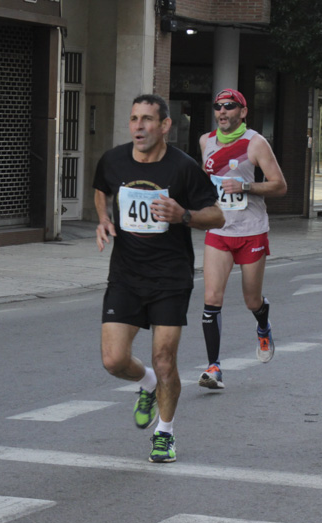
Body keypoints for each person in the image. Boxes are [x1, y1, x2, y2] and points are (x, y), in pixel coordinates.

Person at [94, 94, 224, 463]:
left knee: (166, 360)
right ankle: (146, 383)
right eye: (134, 118)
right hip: (126, 274)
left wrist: (183, 215)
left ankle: (164, 434)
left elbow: (217, 217)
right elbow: (101, 188)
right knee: (113, 360)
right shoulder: (114, 160)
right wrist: (103, 218)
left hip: (170, 275)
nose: (139, 126)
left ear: (165, 125)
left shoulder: (182, 168)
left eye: (148, 119)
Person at [196, 89, 288, 390]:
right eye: (218, 107)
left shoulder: (255, 143)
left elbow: (279, 186)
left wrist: (246, 186)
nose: (222, 112)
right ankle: (214, 368)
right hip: (219, 229)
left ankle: (263, 325)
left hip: (251, 231)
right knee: (212, 298)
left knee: (251, 299)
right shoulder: (205, 142)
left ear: (243, 112)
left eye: (229, 107)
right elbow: (205, 182)